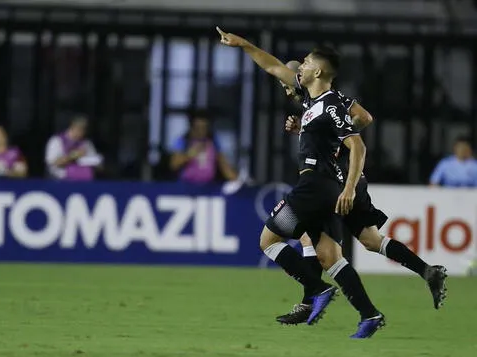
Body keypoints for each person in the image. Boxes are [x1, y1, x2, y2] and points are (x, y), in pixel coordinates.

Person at [217, 26, 384, 338]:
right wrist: (243, 44)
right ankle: (370, 314)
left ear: (318, 70)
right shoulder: (312, 103)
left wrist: (349, 188)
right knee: (328, 256)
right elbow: (272, 65)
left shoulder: (332, 104)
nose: (299, 66)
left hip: (315, 187)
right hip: (321, 188)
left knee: (268, 241)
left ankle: (316, 291)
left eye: (305, 62)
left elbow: (358, 145)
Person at [275, 60, 447, 325]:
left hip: (337, 180)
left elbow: (364, 118)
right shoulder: (313, 104)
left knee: (312, 239)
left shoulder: (326, 99)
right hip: (349, 180)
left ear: (300, 77)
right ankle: (427, 271)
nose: (287, 92)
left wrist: (339, 144)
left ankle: (310, 303)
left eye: (287, 85)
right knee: (370, 239)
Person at [169, 110, 238, 183]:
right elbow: (173, 164)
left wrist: (236, 180)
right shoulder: (183, 141)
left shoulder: (213, 141)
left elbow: (224, 165)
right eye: (198, 128)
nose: (201, 131)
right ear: (192, 127)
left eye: (204, 127)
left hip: (208, 187)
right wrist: (189, 155)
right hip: (186, 185)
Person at [45, 115, 102, 181]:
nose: (81, 133)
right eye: (79, 129)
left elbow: (96, 163)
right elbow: (52, 163)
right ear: (72, 127)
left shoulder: (87, 143)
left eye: (83, 130)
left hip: (85, 181)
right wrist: (73, 156)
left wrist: (98, 164)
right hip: (60, 180)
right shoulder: (56, 140)